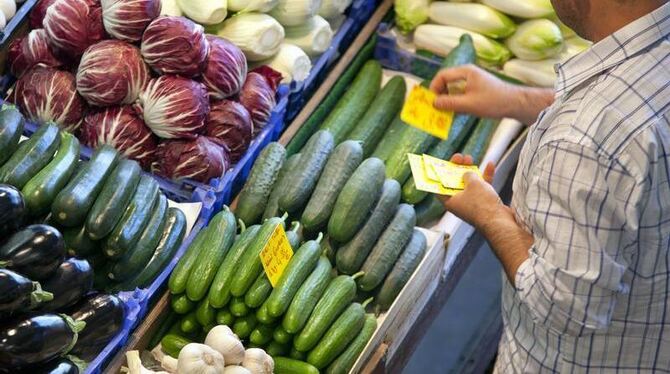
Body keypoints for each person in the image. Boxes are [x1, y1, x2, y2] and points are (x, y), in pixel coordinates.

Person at [430, 0, 670, 372]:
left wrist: (490, 213)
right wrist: (517, 99)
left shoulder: (585, 141)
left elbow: (562, 305)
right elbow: (633, 103)